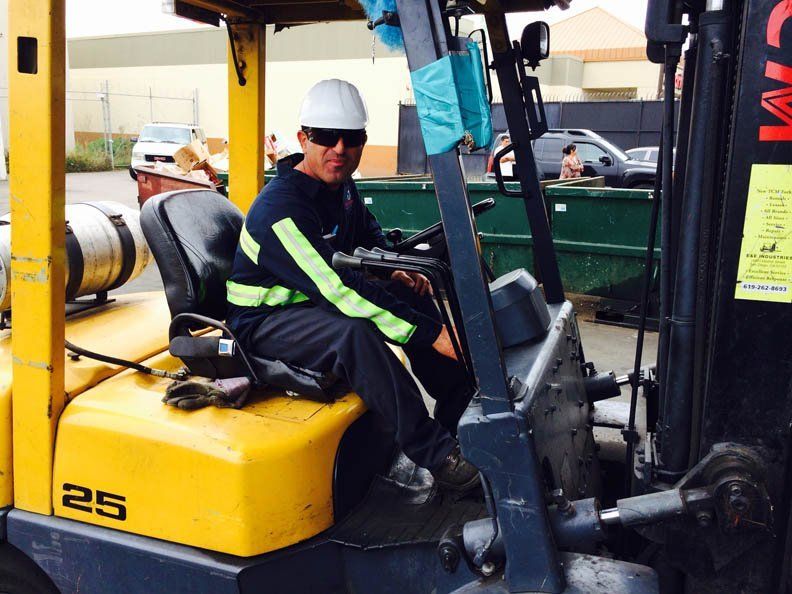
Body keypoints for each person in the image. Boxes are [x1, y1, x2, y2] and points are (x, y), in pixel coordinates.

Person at [225, 79, 479, 491]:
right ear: (303, 139)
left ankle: (462, 405)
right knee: (354, 334)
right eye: (326, 137)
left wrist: (391, 266)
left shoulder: (340, 186)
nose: (339, 149)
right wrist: (433, 335)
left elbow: (364, 229)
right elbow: (338, 290)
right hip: (264, 320)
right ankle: (438, 455)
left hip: (307, 301)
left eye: (351, 138)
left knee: (403, 292)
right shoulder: (281, 209)